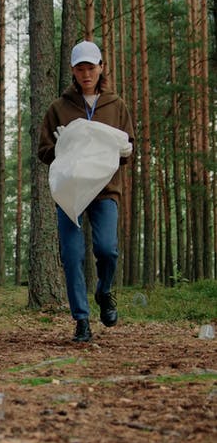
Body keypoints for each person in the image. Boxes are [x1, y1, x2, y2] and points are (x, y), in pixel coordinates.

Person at [38, 40, 134, 343]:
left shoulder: (116, 105)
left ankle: (104, 292)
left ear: (101, 67)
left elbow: (128, 149)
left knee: (107, 249)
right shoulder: (59, 108)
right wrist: (62, 146)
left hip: (106, 190)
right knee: (72, 254)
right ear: (73, 71)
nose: (86, 73)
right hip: (69, 192)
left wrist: (124, 149)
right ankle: (81, 320)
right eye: (80, 68)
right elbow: (44, 152)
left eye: (91, 67)